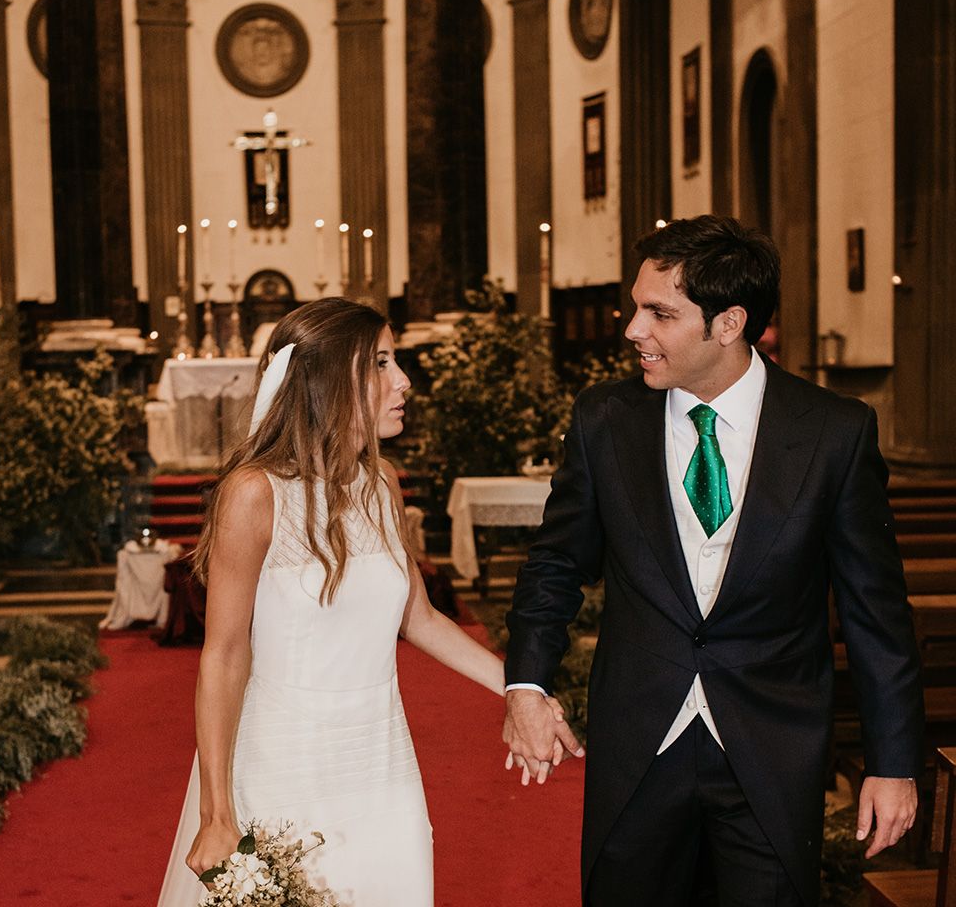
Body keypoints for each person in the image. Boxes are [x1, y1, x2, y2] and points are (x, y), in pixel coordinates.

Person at [502, 216, 924, 906]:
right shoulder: (605, 420)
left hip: (770, 746)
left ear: (728, 324)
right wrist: (525, 687)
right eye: (636, 307)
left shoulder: (834, 432)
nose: (633, 330)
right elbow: (555, 565)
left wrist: (894, 762)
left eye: (659, 313)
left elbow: (875, 612)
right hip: (640, 740)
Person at [158, 297, 515, 906]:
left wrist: (524, 689)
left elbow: (420, 618)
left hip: (383, 765)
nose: (403, 381)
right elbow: (221, 655)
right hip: (283, 766)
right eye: (380, 362)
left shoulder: (381, 484)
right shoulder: (254, 494)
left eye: (395, 361)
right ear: (326, 379)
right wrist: (217, 812)